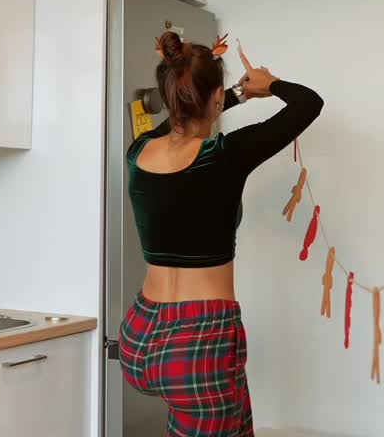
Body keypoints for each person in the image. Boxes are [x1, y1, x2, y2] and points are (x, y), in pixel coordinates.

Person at [119, 31, 324, 437]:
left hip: (139, 335)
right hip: (198, 341)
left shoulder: (139, 151)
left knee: (238, 420)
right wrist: (268, 85)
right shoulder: (224, 157)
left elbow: (180, 121)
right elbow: (308, 103)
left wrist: (234, 94)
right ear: (213, 98)